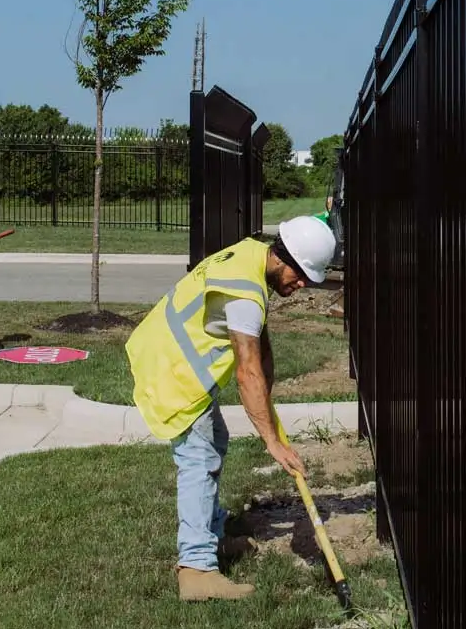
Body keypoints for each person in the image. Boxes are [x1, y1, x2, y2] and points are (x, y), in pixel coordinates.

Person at [124, 215, 337, 603]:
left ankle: (212, 532)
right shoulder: (245, 298)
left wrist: (269, 409)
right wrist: (271, 441)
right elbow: (247, 371)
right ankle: (197, 568)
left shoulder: (254, 256)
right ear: (283, 258)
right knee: (199, 457)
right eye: (302, 274)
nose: (304, 284)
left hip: (166, 353)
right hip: (173, 370)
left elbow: (262, 349)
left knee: (215, 439)